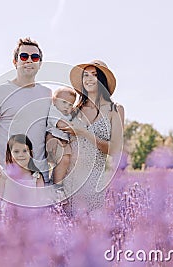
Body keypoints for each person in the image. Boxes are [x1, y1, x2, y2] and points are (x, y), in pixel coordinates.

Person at [0, 38, 52, 197]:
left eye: (35, 57)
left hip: (38, 178)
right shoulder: (0, 92)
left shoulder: (47, 93)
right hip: (6, 179)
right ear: (15, 62)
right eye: (24, 56)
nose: (29, 60)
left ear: (40, 63)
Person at [61, 60, 124, 216]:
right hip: (69, 182)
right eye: (85, 75)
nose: (89, 79)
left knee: (92, 233)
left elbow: (115, 149)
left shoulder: (115, 109)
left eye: (94, 75)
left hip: (95, 183)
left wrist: (84, 133)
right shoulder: (73, 110)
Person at [0, 134, 44, 212]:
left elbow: (41, 201)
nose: (21, 155)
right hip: (6, 218)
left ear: (31, 153)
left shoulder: (36, 177)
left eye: (25, 151)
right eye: (16, 152)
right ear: (10, 154)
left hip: (29, 218)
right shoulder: (5, 176)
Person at [45, 87, 76, 201]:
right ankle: (57, 187)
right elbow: (61, 125)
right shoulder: (54, 110)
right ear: (54, 100)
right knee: (63, 160)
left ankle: (57, 184)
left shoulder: (67, 113)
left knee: (65, 161)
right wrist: (77, 129)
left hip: (64, 142)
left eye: (70, 105)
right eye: (64, 102)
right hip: (54, 139)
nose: (66, 107)